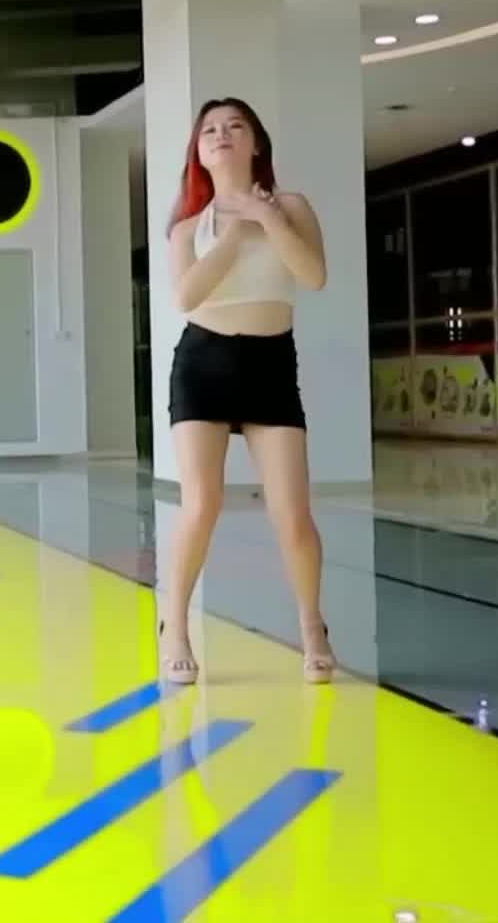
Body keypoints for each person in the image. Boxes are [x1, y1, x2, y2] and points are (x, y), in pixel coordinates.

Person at [162, 97, 335, 685]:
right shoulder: (188, 227)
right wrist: (234, 234)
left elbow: (313, 276)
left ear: (255, 142)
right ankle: (175, 627)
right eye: (210, 129)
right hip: (202, 363)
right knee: (201, 504)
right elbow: (186, 297)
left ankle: (312, 628)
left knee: (293, 514)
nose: (222, 135)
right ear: (199, 151)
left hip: (270, 365)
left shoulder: (291, 207)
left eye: (236, 126)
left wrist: (267, 218)